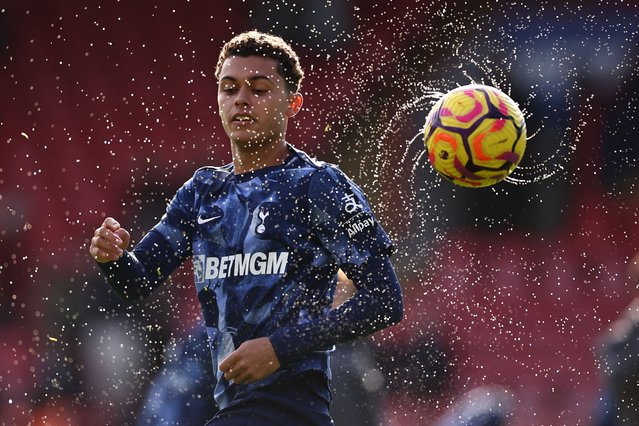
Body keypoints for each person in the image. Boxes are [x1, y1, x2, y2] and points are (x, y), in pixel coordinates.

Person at [89, 30, 403, 425]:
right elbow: (136, 281)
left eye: (258, 89)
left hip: (292, 411)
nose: (241, 99)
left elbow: (384, 299)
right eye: (229, 88)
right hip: (231, 407)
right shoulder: (202, 192)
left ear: (292, 104)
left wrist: (279, 348)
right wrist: (113, 259)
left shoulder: (318, 185)